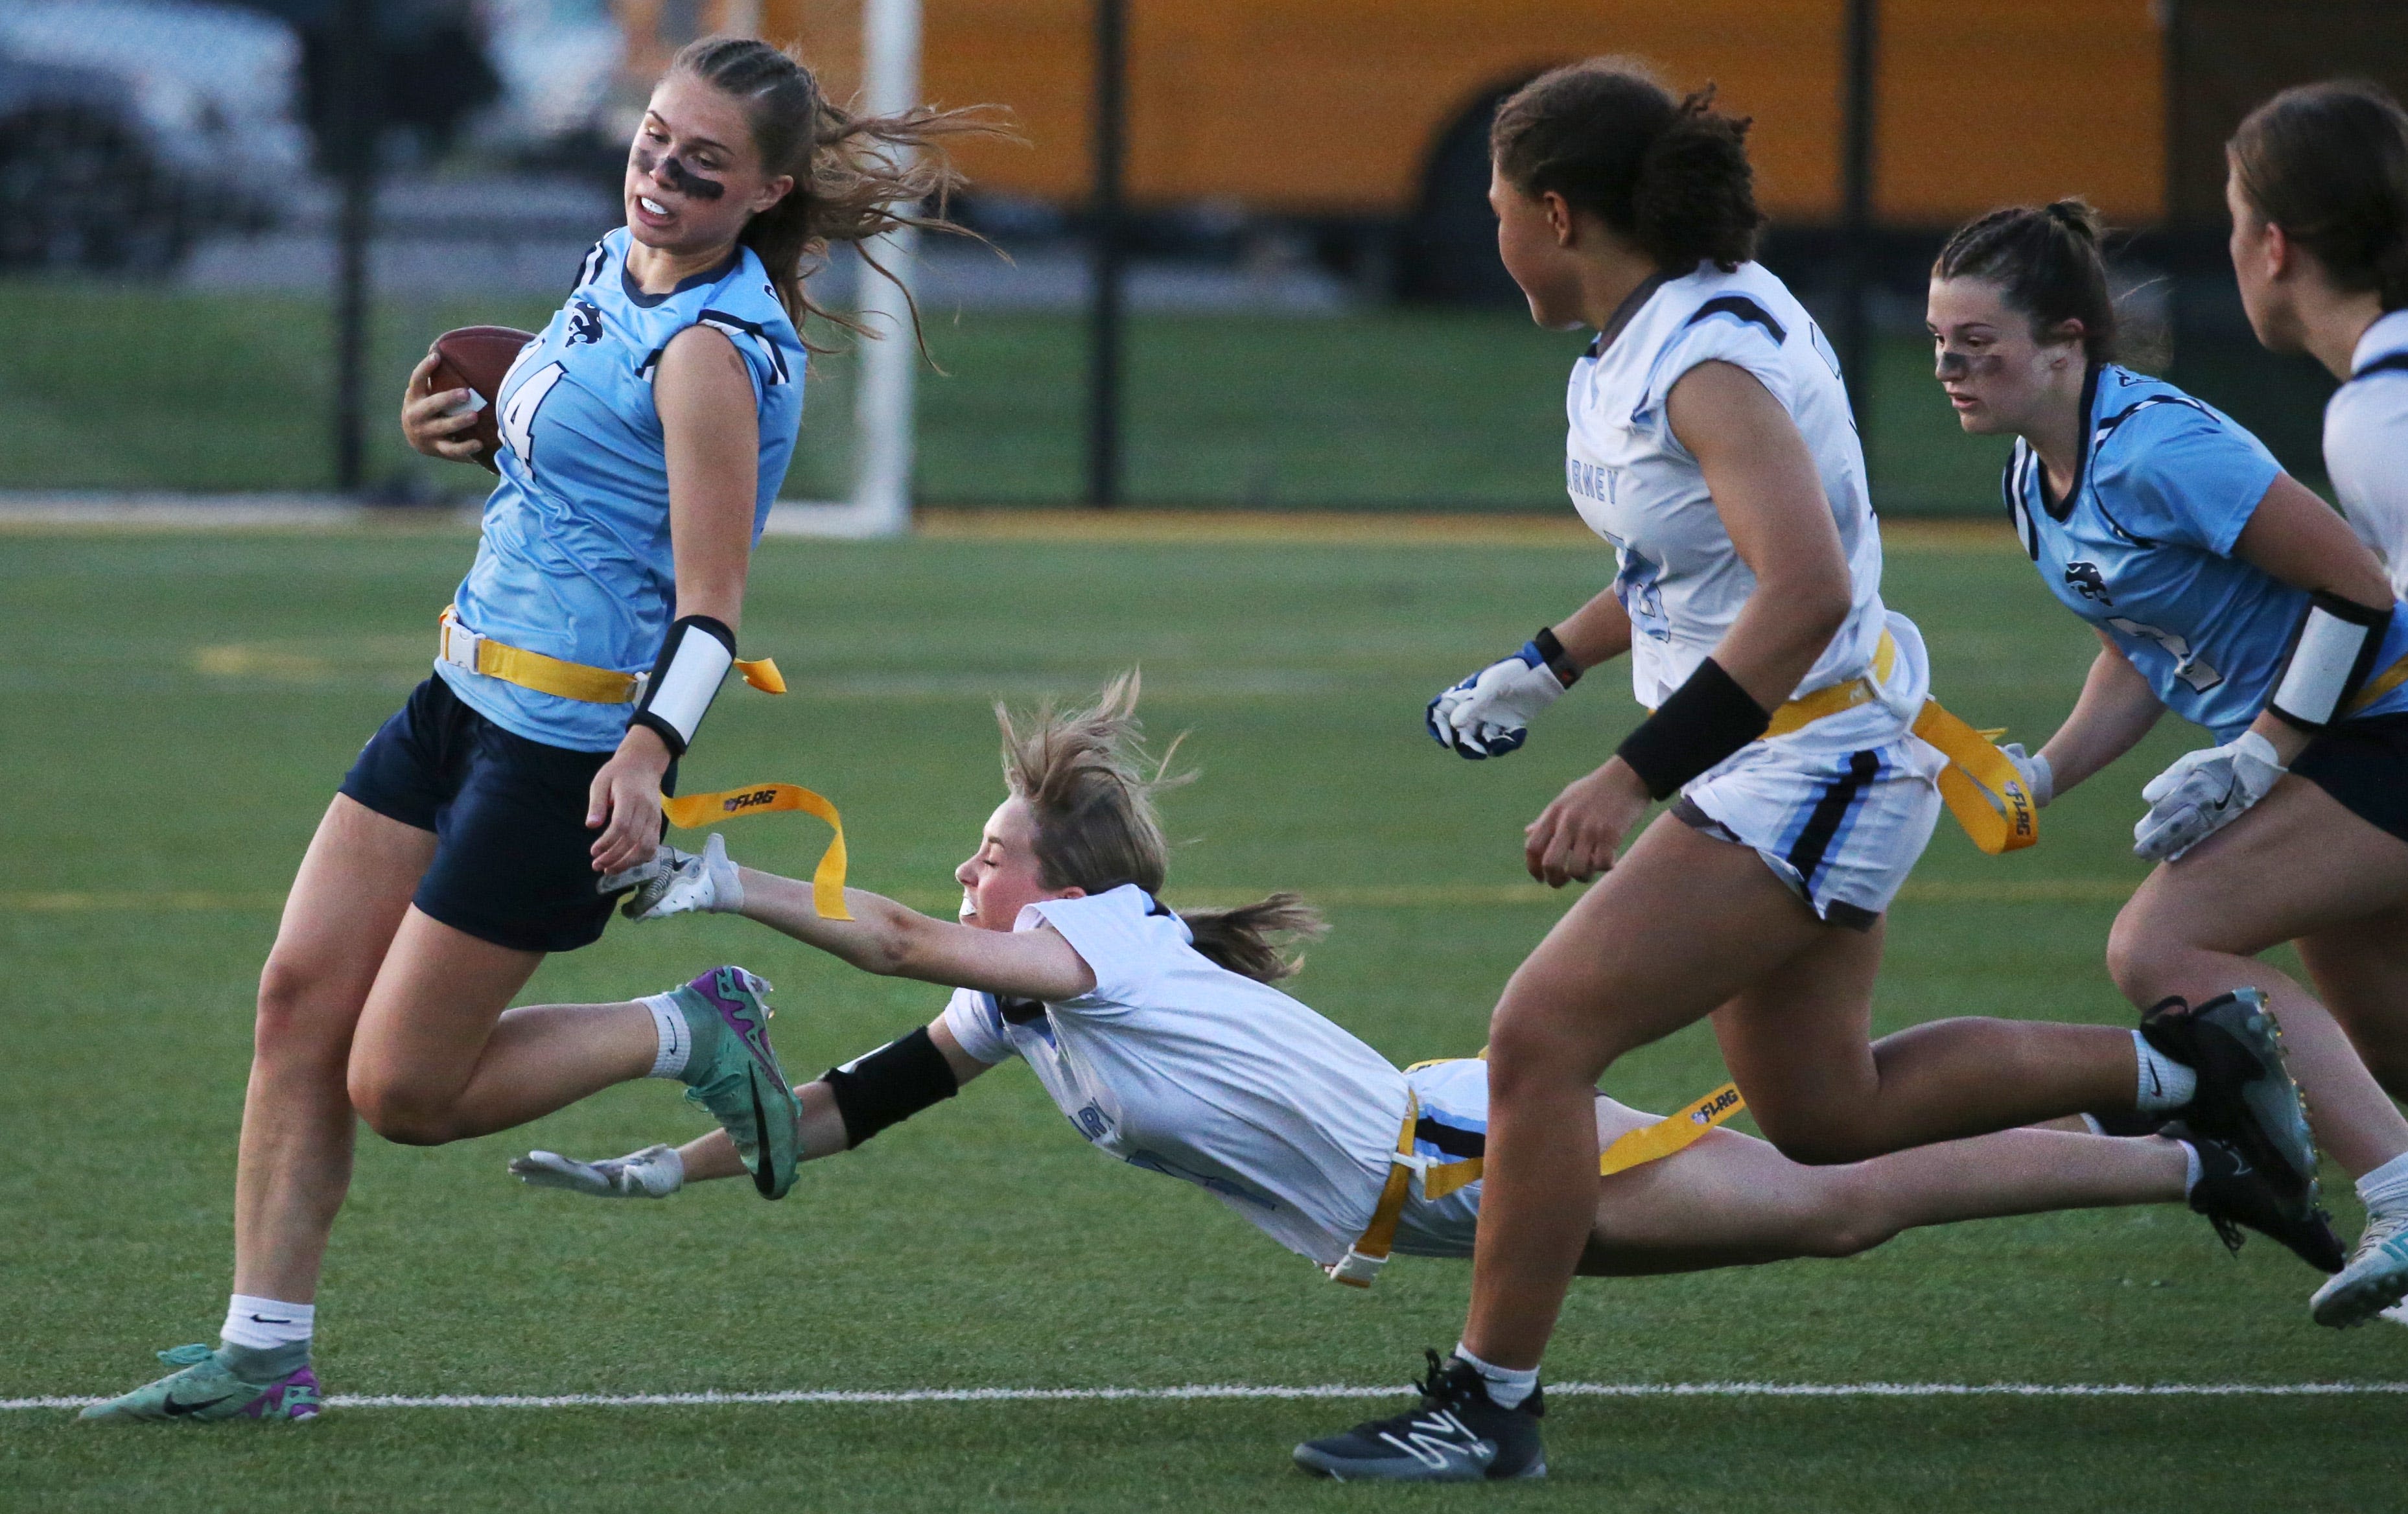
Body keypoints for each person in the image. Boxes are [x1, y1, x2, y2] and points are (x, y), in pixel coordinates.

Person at [1300, 60, 2318, 1482]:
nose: (1491, 235)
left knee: (1536, 1041)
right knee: (1825, 1112)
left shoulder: (1700, 354)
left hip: (1808, 750)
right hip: (1795, 743)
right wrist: (1545, 660)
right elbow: (1682, 569)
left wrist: (1626, 777)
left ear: (1554, 209)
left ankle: (1487, 1402)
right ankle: (2182, 1069)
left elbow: (1801, 593)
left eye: (1494, 208)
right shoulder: (1646, 338)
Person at [513, 679, 2332, 1419]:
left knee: (1835, 1196)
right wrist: (658, 1166)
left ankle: (2187, 1121)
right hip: (1444, 1191)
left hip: (1469, 1154)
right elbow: (857, 1098)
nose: (969, 858)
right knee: (1829, 1189)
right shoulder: (1030, 989)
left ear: (1047, 878)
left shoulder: (1082, 938)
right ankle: (2187, 1121)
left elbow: (902, 939)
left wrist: (716, 877)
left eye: (993, 840)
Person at [81, 38, 992, 1424]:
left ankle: (685, 1027)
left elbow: (710, 611)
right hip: (455, 701)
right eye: (653, 141)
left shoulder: (708, 353)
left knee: (404, 1088)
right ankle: (262, 1356)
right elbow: (557, 447)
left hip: (563, 752)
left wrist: (646, 756)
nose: (662, 176)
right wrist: (460, 420)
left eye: (702, 165)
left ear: (765, 191)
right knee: (295, 1005)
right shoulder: (612, 268)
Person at [1922, 170, 2408, 1330]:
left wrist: (2261, 751)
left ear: (2065, 344)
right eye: (1939, 342)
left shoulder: (2156, 449)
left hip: (2383, 723)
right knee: (2385, 1033)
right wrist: (2044, 772)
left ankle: (2399, 1200)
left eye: (1976, 343)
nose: (1947, 369)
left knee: (2163, 943)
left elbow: (2356, 581)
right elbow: (2143, 646)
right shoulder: (2032, 478)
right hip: (2330, 747)